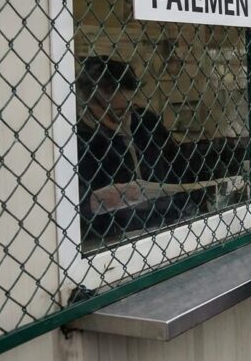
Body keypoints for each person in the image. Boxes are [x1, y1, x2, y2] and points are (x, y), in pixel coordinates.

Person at [76, 56, 195, 244]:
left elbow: (179, 167)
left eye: (128, 109)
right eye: (114, 112)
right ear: (88, 101)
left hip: (167, 224)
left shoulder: (145, 123)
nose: (123, 119)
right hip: (110, 239)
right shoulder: (78, 139)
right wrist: (92, 202)